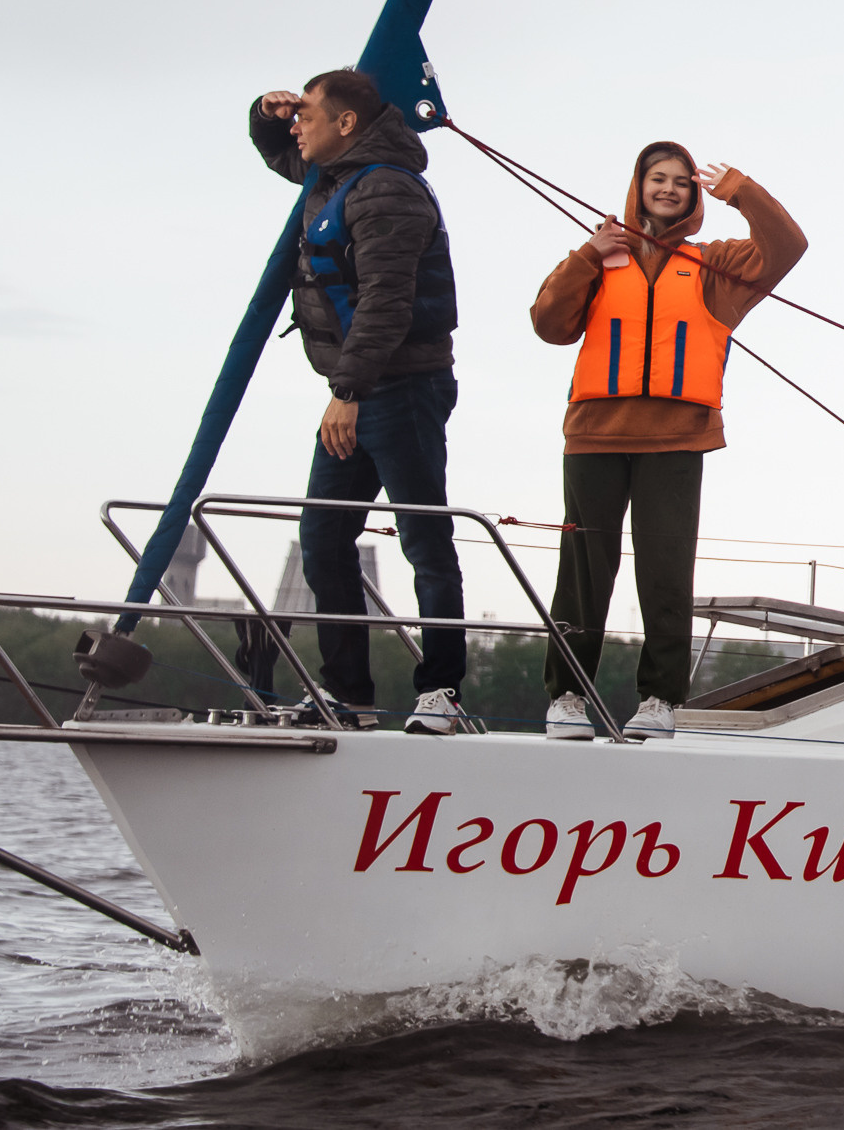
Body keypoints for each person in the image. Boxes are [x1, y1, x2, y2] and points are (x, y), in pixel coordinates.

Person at [530, 143, 806, 740]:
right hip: (594, 438)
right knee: (581, 572)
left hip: (677, 439)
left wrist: (742, 189)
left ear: (694, 195)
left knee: (665, 573)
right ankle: (568, 698)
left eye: (681, 181)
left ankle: (659, 700)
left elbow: (789, 247)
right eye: (658, 178)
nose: (670, 188)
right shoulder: (599, 255)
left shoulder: (716, 266)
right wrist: (587, 254)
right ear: (639, 186)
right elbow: (548, 324)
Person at [250, 69, 465, 734]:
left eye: (306, 114)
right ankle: (349, 695)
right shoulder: (334, 178)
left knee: (422, 537)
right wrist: (265, 111)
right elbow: (282, 153)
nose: (296, 126)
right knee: (322, 539)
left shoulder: (386, 192)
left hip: (400, 388)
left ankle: (441, 692)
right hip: (354, 392)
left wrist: (347, 391)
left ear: (345, 125)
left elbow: (387, 304)